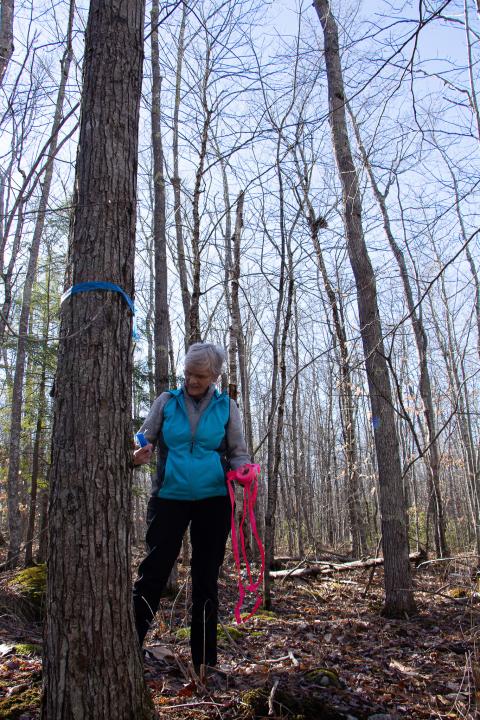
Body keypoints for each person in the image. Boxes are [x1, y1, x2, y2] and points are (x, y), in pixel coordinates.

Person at [132, 342, 251, 672]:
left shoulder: (227, 407)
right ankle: (127, 649)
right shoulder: (167, 401)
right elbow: (143, 437)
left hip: (213, 501)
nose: (191, 381)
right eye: (187, 374)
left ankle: (205, 664)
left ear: (214, 375)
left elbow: (238, 451)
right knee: (153, 573)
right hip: (169, 497)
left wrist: (244, 471)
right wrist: (136, 452)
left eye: (199, 376)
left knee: (205, 580)